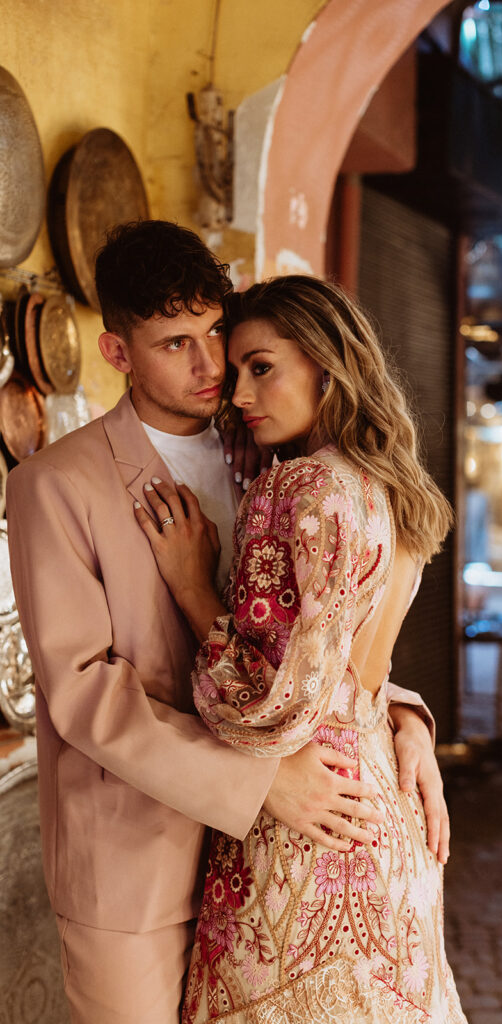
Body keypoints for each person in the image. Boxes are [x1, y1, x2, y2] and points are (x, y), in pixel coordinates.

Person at [6, 223, 445, 1024]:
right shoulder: (53, 484)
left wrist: (403, 721)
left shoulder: (274, 461)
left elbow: (310, 637)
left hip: (265, 867)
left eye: (216, 332)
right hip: (139, 860)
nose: (211, 366)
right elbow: (80, 690)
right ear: (117, 354)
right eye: (176, 343)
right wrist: (259, 780)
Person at [135, 275, 467, 1022]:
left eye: (261, 367)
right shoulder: (390, 488)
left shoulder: (297, 490)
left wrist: (192, 586)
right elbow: (363, 679)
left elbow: (268, 711)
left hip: (307, 828)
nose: (240, 394)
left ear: (325, 363)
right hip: (384, 820)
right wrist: (409, 724)